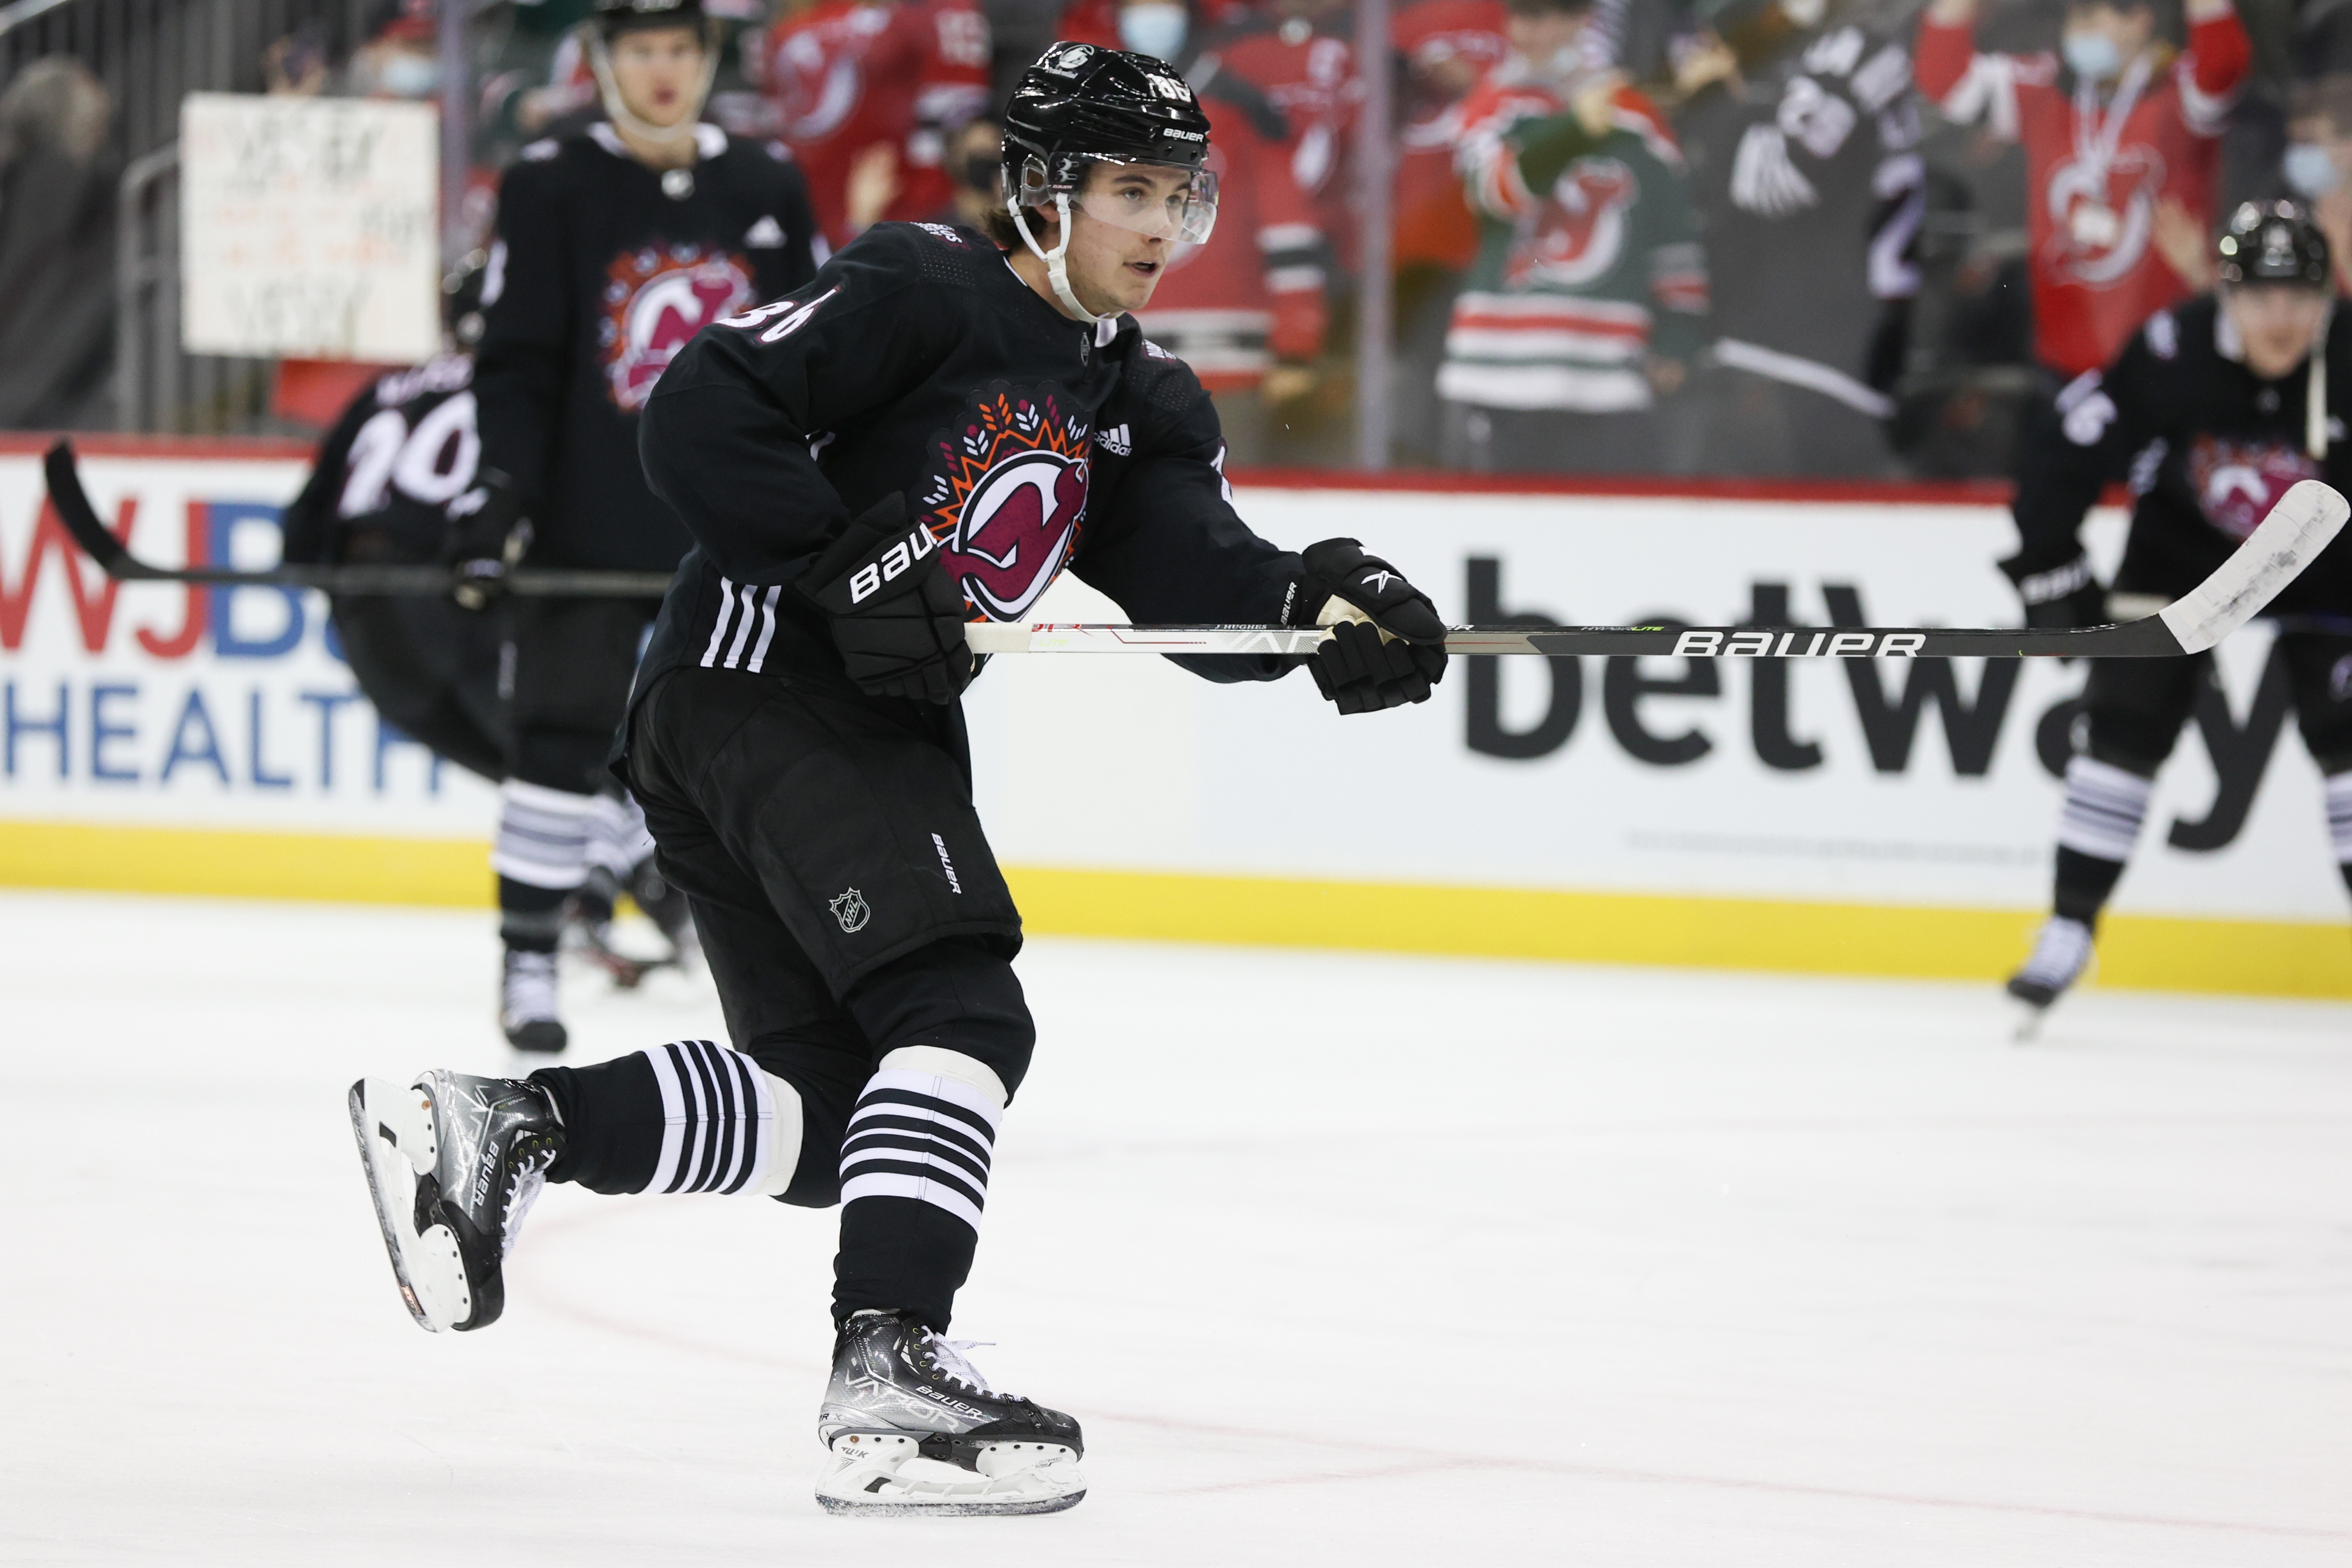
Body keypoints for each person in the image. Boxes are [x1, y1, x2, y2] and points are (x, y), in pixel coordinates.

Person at [349, 41, 1450, 1516]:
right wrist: (846, 557)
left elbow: (1190, 565)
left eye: (1179, 198)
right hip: (766, 686)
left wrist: (1318, 612)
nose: (1159, 229)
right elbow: (701, 408)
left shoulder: (1136, 395)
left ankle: (514, 1127)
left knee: (837, 1103)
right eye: (1130, 191)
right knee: (960, 1009)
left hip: (813, 721)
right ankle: (891, 1367)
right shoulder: (924, 288)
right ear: (1043, 190)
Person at [466, 0, 818, 1051]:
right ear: (601, 60)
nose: (662, 70)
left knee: (732, 752)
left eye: (679, 49)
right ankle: (529, 961)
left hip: (727, 533)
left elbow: (813, 358)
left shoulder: (767, 182)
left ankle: (740, 953)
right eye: (640, 50)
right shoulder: (547, 184)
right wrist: (500, 495)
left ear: (708, 59)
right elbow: (518, 359)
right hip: (588, 519)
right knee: (558, 742)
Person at [2001, 202, 2352, 1032]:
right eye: (2261, 297)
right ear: (2226, 295)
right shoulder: (2171, 348)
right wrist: (2055, 569)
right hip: (2184, 564)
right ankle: (2067, 926)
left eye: (2301, 298)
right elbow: (2060, 449)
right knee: (2122, 729)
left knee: (2349, 748)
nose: (2281, 318)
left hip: (2328, 575)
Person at [1915, 0, 2250, 383]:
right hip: (2063, 360)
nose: (2078, 31)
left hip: (2165, 355)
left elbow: (2223, 60)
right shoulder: (2048, 87)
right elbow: (1942, 76)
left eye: (2091, 16)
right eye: (2073, 17)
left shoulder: (2180, 93)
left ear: (2140, 20)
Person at [1438, 0, 1708, 473]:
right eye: (1519, 17)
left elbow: (1673, 240)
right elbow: (1494, 194)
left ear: (1580, 22)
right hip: (1498, 369)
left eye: (1544, 17)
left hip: (1604, 370)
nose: (1529, 34)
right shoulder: (1490, 107)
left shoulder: (1635, 118)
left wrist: (1678, 334)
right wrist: (1576, 130)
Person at [1672, 0, 1923, 478]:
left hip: (1794, 360)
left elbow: (1777, 177)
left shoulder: (1850, 50)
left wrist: (1709, 97)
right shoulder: (1843, 48)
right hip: (1829, 362)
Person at [763, 0, 994, 249]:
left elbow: (958, 115)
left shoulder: (936, 12)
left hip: (901, 208)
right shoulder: (793, 26)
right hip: (841, 210)